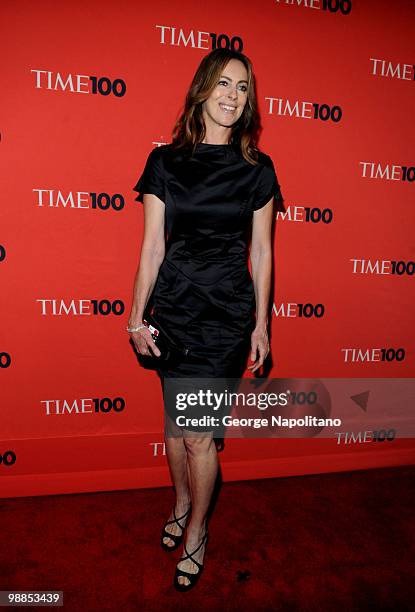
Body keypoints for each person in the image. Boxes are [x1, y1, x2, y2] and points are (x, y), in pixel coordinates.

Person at [127, 48, 283, 591]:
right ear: (202, 89)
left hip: (224, 318)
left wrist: (261, 325)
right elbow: (151, 248)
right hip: (174, 309)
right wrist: (134, 315)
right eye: (222, 83)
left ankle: (196, 529)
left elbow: (260, 253)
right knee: (175, 429)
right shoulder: (165, 162)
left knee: (197, 436)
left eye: (242, 87)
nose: (231, 95)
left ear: (249, 101)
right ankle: (180, 502)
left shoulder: (257, 170)